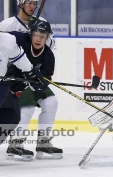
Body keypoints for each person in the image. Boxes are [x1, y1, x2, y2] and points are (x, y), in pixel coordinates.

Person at [6, 19, 62, 161]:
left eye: (42, 37)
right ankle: (15, 143)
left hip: (30, 83)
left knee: (51, 102)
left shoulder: (48, 55)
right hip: (14, 82)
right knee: (28, 106)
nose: (38, 39)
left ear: (47, 38)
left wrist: (39, 82)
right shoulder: (20, 39)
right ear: (31, 34)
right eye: (36, 35)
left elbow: (45, 78)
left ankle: (43, 142)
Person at [0, 31, 46, 146]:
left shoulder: (7, 40)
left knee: (10, 114)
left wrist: (30, 73)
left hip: (2, 84)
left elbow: (19, 57)